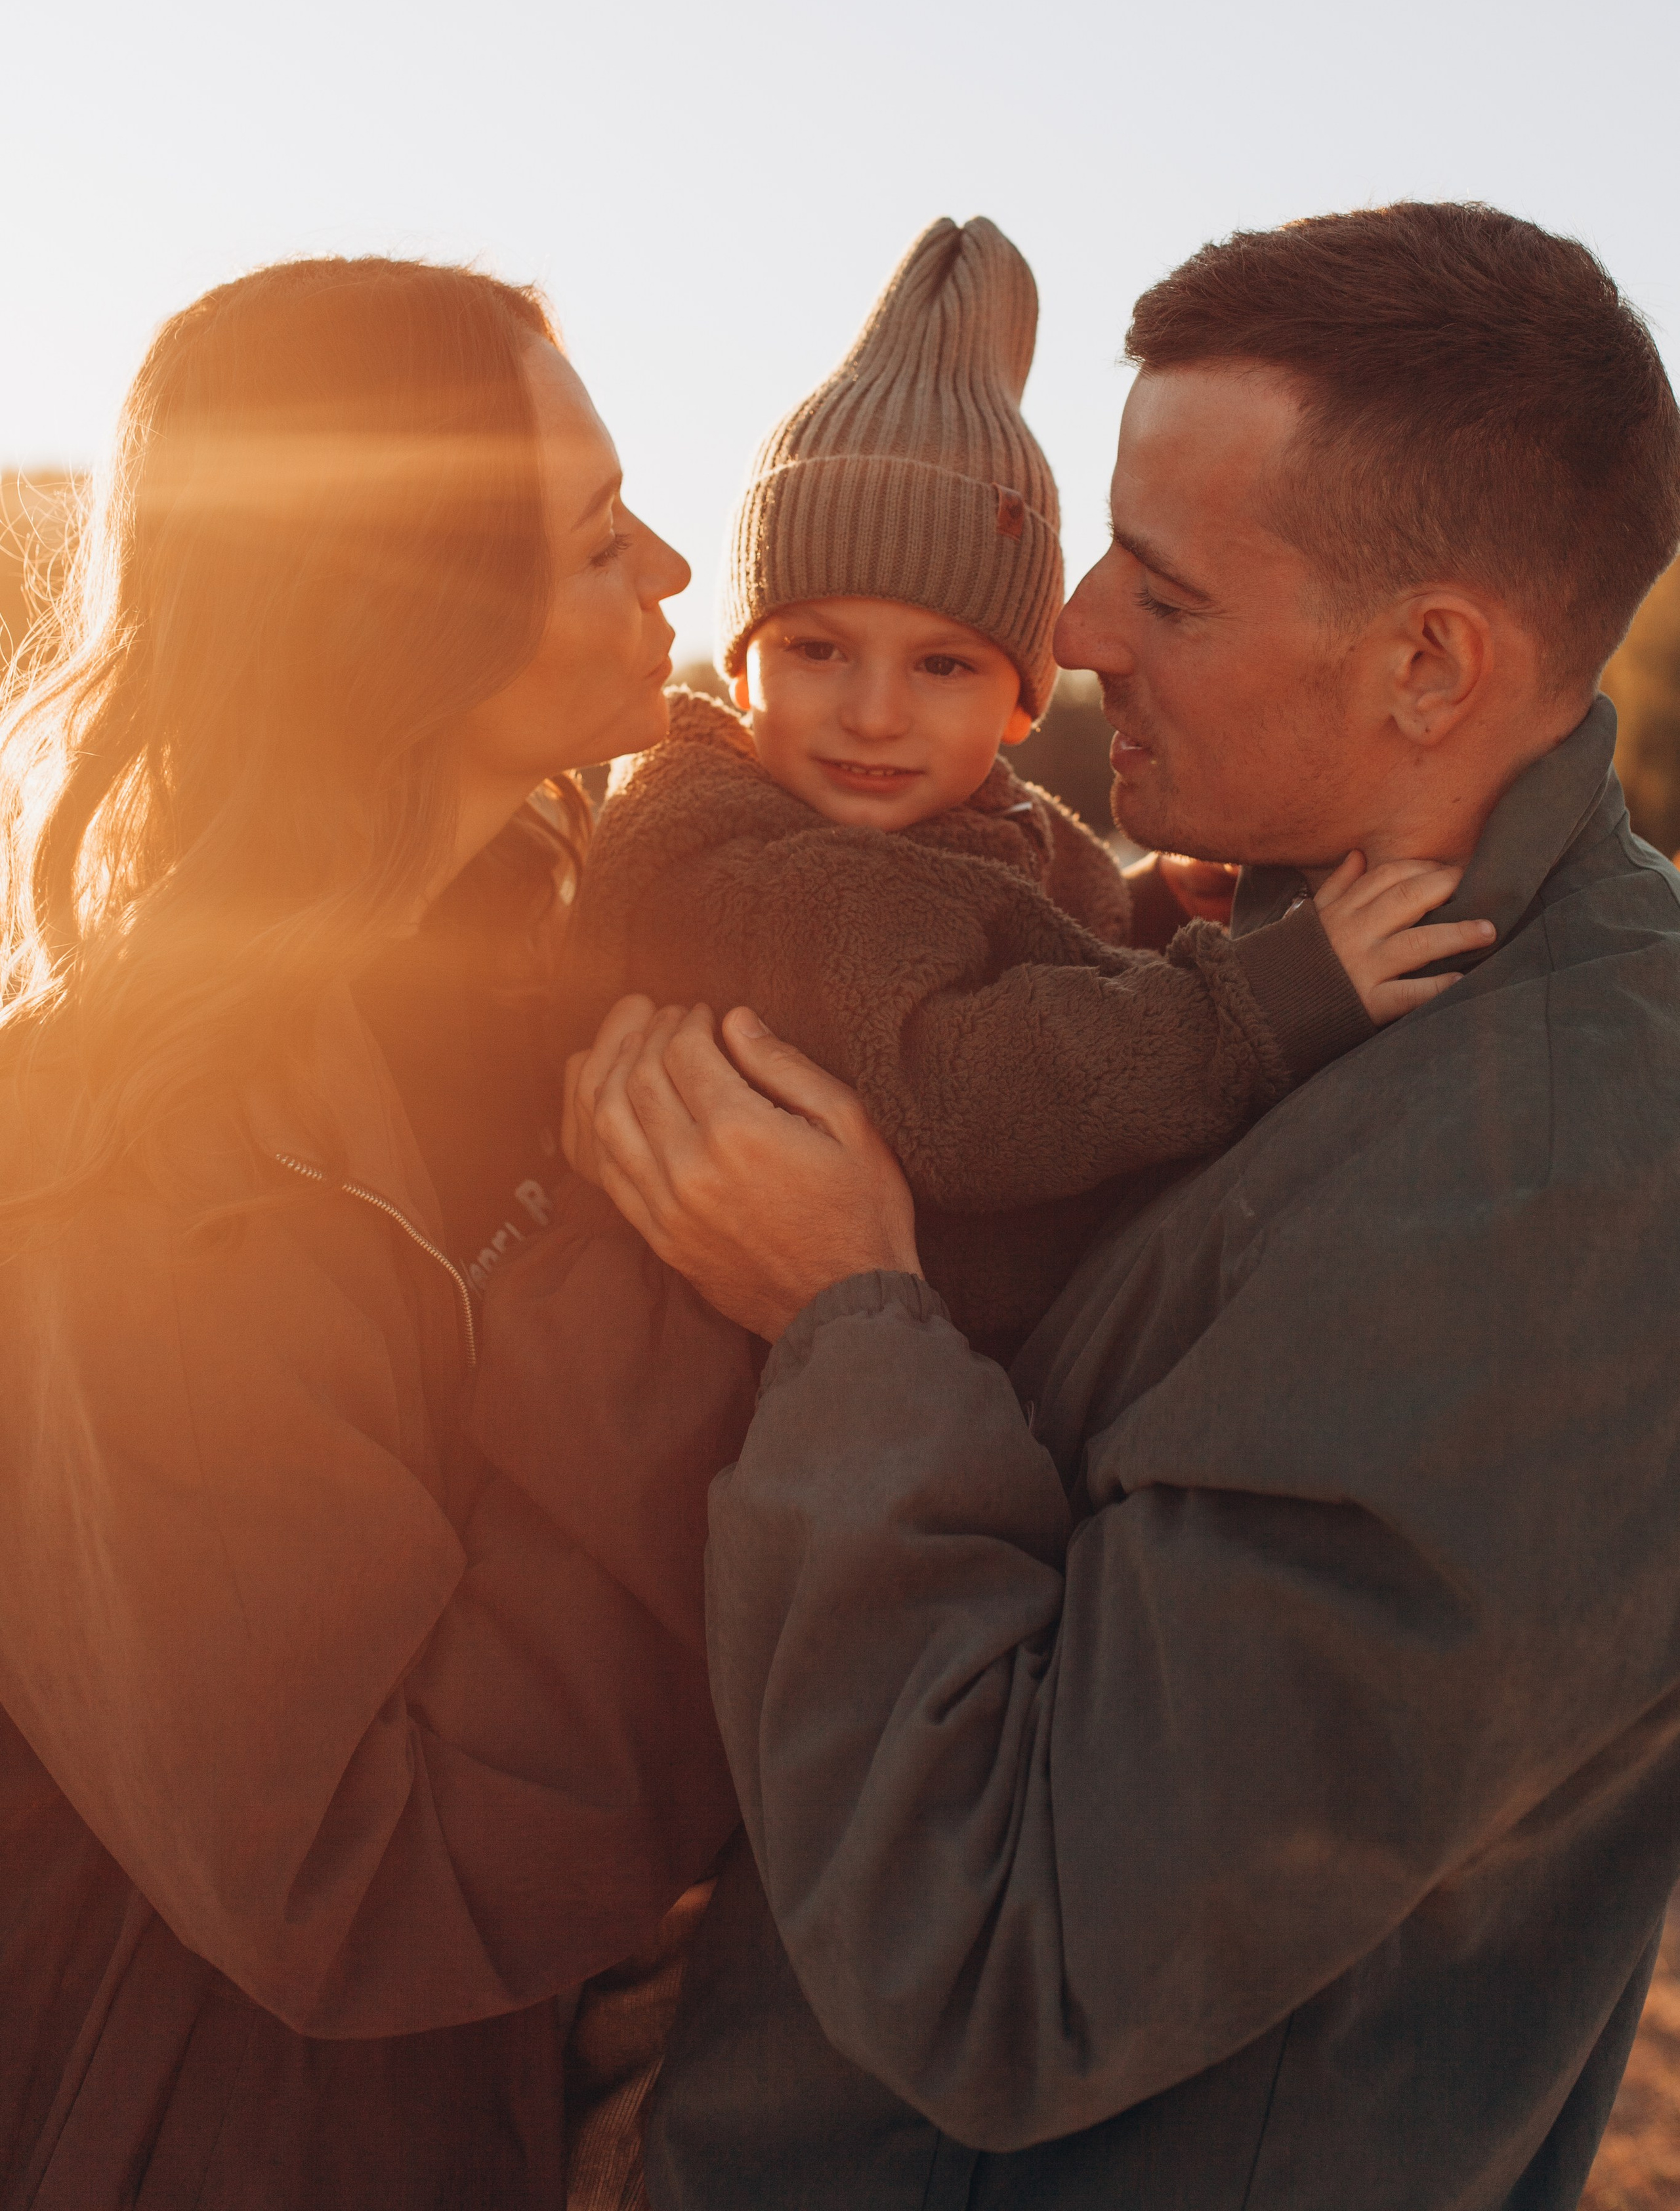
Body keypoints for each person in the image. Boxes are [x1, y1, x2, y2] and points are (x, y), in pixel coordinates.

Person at [570, 203, 1680, 2209]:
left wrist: (845, 1319)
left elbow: (1024, 1955)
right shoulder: (1301, 963)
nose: (1067, 632)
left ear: (1432, 663)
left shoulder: (1561, 1181)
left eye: (1160, 595)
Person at [0, 258, 753, 2208]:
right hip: (222, 2135)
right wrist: (682, 1272)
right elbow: (361, 1867)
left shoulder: (545, 970)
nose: (674, 566)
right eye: (597, 543)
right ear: (404, 617)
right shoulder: (131, 1152)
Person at [565, 216, 1486, 1356]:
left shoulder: (979, 827)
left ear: (1021, 703)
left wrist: (1150, 903)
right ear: (742, 663)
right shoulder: (743, 880)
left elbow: (1027, 942)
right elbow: (967, 1083)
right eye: (817, 649)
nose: (874, 711)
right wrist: (1257, 1002)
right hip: (733, 1419)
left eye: (943, 665)